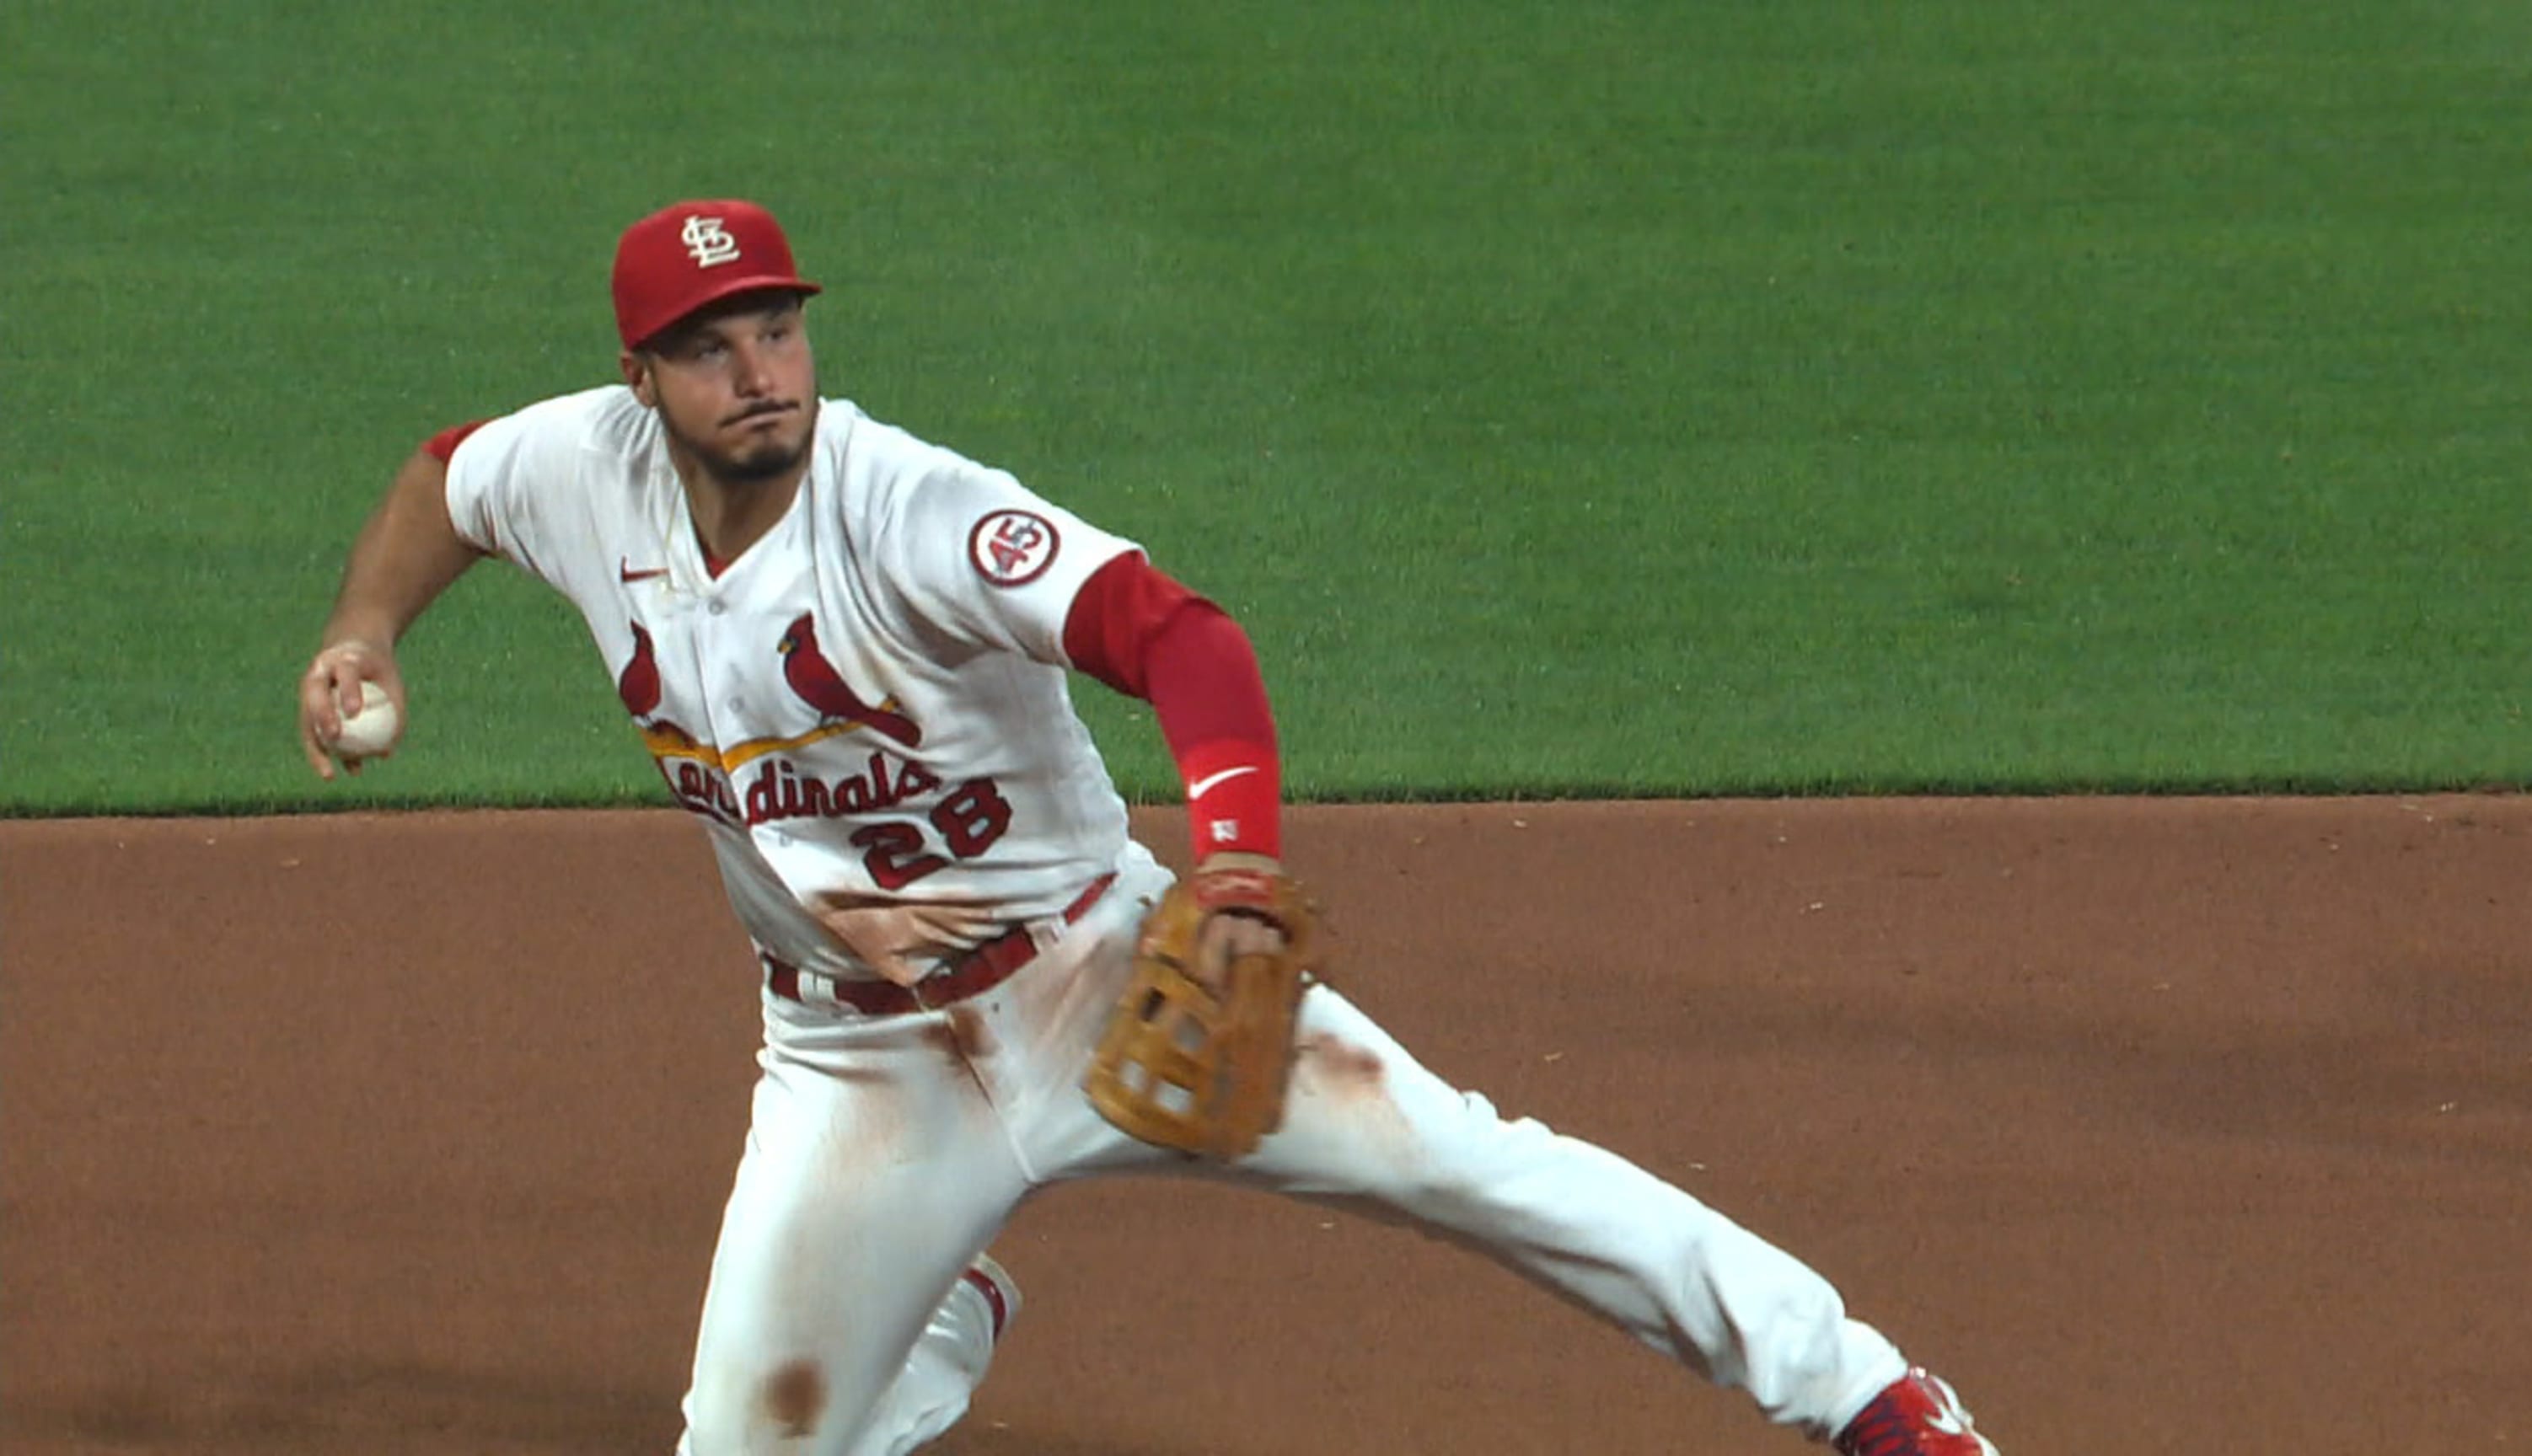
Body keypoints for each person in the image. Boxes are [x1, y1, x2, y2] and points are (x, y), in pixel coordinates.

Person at [295, 198, 2005, 1456]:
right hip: (854, 1072)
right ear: (640, 378)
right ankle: (935, 1303)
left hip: (1097, 971)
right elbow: (442, 481)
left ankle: (1870, 1395)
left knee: (1472, 1168)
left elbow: (1177, 634)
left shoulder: (911, 508)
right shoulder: (576, 468)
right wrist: (365, 635)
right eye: (709, 346)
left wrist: (1241, 854)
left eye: (778, 328)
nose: (758, 371)